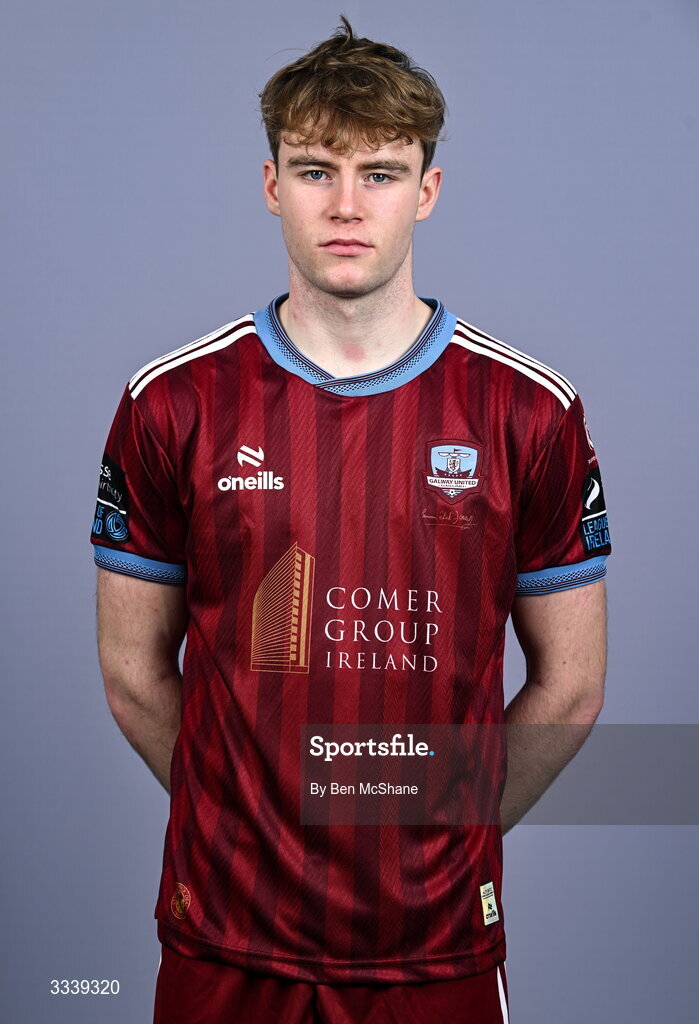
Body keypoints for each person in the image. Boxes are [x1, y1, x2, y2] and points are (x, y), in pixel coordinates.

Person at [91, 15, 611, 1024]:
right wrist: (239, 821)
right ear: (271, 184)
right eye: (316, 168)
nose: (345, 203)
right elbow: (130, 672)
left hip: (436, 948)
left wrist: (447, 832)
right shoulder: (172, 402)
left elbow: (575, 683)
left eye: (380, 172)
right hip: (226, 942)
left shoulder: (528, 410)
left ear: (428, 191)